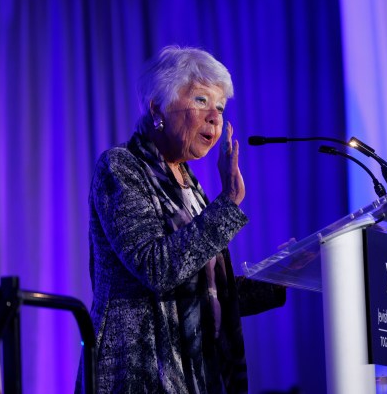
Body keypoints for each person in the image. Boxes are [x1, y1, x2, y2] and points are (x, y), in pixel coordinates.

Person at [82, 45, 286, 393]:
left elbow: (204, 290)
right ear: (157, 107)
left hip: (194, 374)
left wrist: (282, 275)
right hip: (140, 376)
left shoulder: (190, 186)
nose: (216, 118)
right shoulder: (120, 168)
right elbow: (156, 268)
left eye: (220, 107)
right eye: (202, 101)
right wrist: (227, 205)